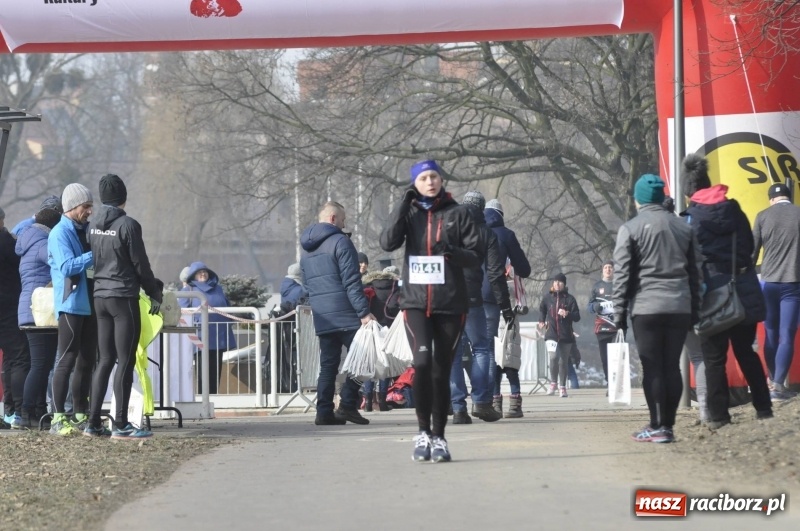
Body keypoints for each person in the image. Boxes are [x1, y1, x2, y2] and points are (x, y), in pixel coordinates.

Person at [380, 159, 484, 462]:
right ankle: (422, 431)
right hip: (414, 301)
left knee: (441, 369)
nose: (430, 182)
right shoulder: (410, 213)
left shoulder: (458, 213)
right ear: (416, 183)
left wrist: (451, 251)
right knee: (422, 363)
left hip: (450, 303)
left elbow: (476, 257)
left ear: (441, 180)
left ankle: (439, 437)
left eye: (434, 176)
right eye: (424, 178)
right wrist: (403, 205)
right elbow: (387, 242)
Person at [681, 155, 772, 428]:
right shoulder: (735, 210)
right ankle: (764, 408)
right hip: (742, 289)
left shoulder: (690, 219)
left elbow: (689, 261)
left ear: (689, 193)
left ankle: (720, 417)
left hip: (712, 296)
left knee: (714, 359)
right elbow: (748, 247)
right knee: (746, 351)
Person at [612, 173, 702, 443]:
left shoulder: (630, 229)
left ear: (639, 199)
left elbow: (622, 275)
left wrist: (618, 313)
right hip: (678, 305)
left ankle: (656, 425)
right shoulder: (684, 227)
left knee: (652, 368)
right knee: (672, 366)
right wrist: (695, 308)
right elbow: (696, 272)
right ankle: (668, 427)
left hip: (646, 307)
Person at [87, 174, 163, 438]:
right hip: (123, 298)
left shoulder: (92, 224)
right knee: (126, 360)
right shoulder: (128, 225)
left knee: (104, 360)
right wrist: (154, 291)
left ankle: (93, 422)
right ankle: (120, 424)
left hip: (100, 297)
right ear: (124, 196)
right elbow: (140, 263)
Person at [300, 201, 375, 426]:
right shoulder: (341, 241)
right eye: (343, 219)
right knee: (365, 359)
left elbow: (306, 284)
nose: (344, 223)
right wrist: (364, 312)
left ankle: (324, 412)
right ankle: (348, 405)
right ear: (333, 219)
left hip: (323, 315)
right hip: (347, 314)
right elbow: (352, 282)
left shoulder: (305, 248)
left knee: (328, 365)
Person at [449, 190, 511, 424]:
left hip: (448, 300)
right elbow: (495, 274)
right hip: (472, 299)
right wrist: (505, 306)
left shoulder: (449, 229)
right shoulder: (487, 234)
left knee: (453, 354)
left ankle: (458, 409)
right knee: (481, 349)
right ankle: (482, 402)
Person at [47, 183, 97, 436]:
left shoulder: (85, 230)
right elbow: (67, 267)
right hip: (70, 305)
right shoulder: (59, 233)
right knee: (65, 361)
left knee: (87, 360)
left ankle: (79, 414)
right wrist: (95, 253)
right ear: (72, 207)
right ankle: (57, 418)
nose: (89, 211)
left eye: (90, 206)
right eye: (85, 206)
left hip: (89, 304)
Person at [483, 198, 531, 418]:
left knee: (488, 352)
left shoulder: (474, 233)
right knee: (509, 348)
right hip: (504, 300)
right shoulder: (506, 235)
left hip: (476, 300)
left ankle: (491, 402)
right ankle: (515, 402)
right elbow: (524, 268)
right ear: (501, 215)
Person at [752, 182, 800, 400]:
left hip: (768, 284)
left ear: (771, 199)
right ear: (790, 196)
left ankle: (772, 380)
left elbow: (752, 253)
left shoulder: (762, 216)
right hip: (793, 284)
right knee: (787, 335)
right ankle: (779, 386)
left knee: (770, 335)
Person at [16, 206, 61, 429]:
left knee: (41, 365)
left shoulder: (28, 240)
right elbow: (58, 266)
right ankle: (26, 414)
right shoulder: (43, 243)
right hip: (39, 312)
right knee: (40, 365)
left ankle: (37, 411)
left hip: (30, 310)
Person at [180, 261, 237, 395]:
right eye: (199, 272)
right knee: (202, 371)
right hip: (199, 338)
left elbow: (227, 307)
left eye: (204, 272)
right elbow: (182, 312)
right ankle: (202, 398)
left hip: (218, 336)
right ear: (193, 276)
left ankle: (213, 396)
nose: (203, 274)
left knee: (215, 370)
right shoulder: (188, 290)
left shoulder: (218, 289)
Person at [1, 206, 32, 429]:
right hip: (8, 307)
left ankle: (10, 411)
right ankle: (18, 411)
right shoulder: (7, 242)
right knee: (17, 357)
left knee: (10, 360)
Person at [361, 266, 401, 411]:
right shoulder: (394, 286)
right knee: (385, 364)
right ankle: (383, 401)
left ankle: (368, 402)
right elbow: (397, 305)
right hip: (389, 328)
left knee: (369, 364)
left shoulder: (368, 285)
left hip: (371, 327)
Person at [538, 273, 581, 397]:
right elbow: (542, 309)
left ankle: (562, 387)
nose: (557, 284)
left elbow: (577, 316)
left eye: (560, 282)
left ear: (564, 284)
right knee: (553, 358)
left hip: (566, 335)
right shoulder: (547, 298)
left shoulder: (570, 299)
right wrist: (541, 320)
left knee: (563, 361)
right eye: (555, 281)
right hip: (551, 333)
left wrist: (567, 313)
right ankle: (553, 383)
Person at [587, 260, 618, 385]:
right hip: (601, 328)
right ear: (602, 270)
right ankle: (610, 383)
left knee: (616, 358)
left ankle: (617, 384)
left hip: (617, 328)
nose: (608, 269)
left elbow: (628, 303)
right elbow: (589, 307)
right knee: (606, 360)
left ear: (614, 270)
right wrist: (595, 307)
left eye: (610, 267)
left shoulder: (619, 285)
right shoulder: (596, 286)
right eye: (606, 267)